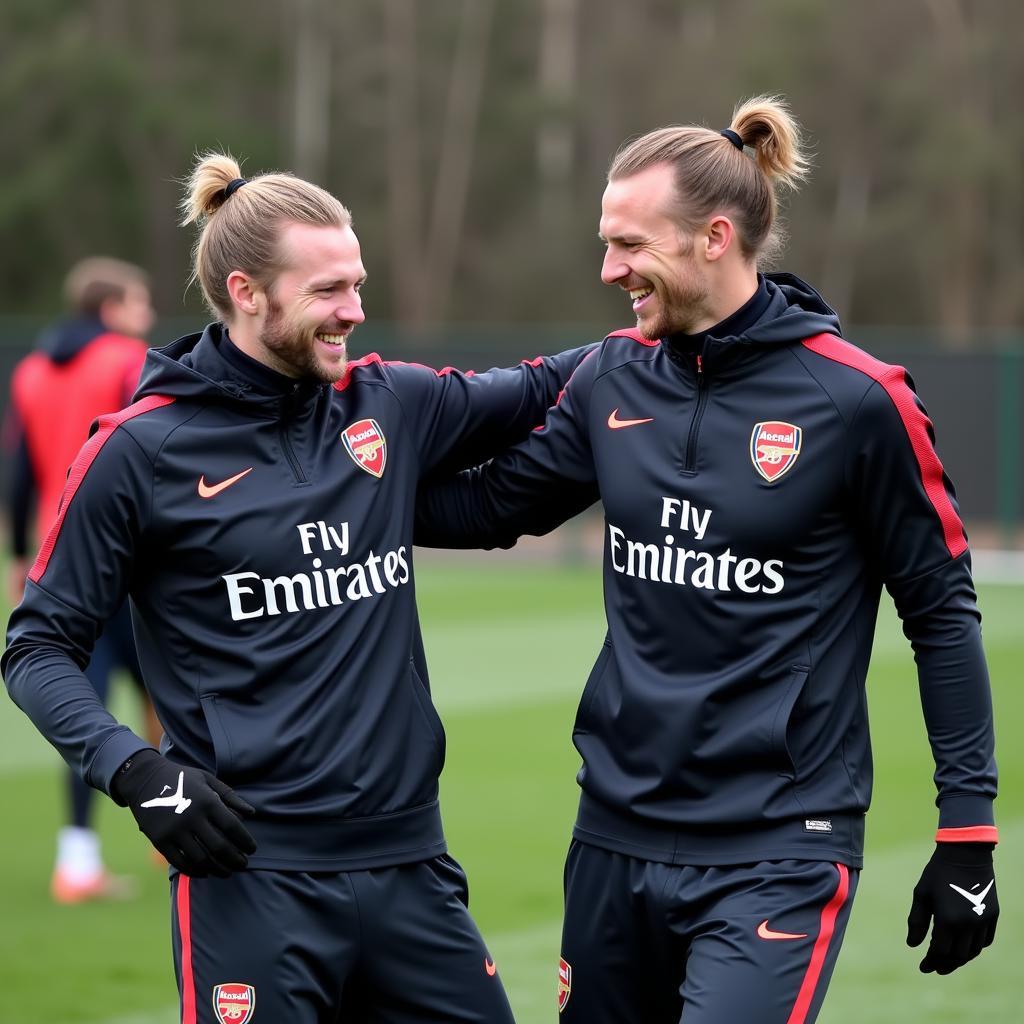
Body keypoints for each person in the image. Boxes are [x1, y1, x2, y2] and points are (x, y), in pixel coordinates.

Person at [415, 96, 999, 1024]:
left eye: (630, 246)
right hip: (613, 830)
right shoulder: (612, 375)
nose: (609, 269)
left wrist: (967, 831)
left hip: (781, 843)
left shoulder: (858, 401)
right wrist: (328, 500)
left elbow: (941, 613)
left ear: (715, 237)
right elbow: (494, 505)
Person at [3, 153, 591, 1022]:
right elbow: (37, 647)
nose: (353, 310)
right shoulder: (139, 452)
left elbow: (550, 384)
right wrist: (141, 774)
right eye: (327, 291)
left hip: (412, 869)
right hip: (249, 880)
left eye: (356, 284)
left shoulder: (388, 403)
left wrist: (689, 313)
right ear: (246, 291)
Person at [7, 256, 164, 903]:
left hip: (60, 563)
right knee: (174, 695)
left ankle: (76, 861)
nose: (147, 312)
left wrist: (19, 552)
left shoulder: (31, 371)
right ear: (111, 309)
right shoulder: (127, 359)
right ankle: (175, 827)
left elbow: (19, 470)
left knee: (83, 711)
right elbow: (158, 441)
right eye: (139, 300)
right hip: (132, 560)